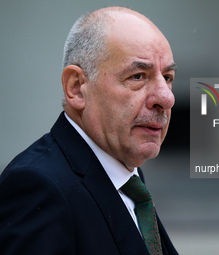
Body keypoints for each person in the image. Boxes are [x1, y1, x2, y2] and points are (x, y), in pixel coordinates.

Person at [0, 6, 178, 255]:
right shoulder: (38, 188)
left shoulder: (129, 180)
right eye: (138, 76)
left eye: (168, 77)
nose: (166, 98)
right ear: (76, 87)